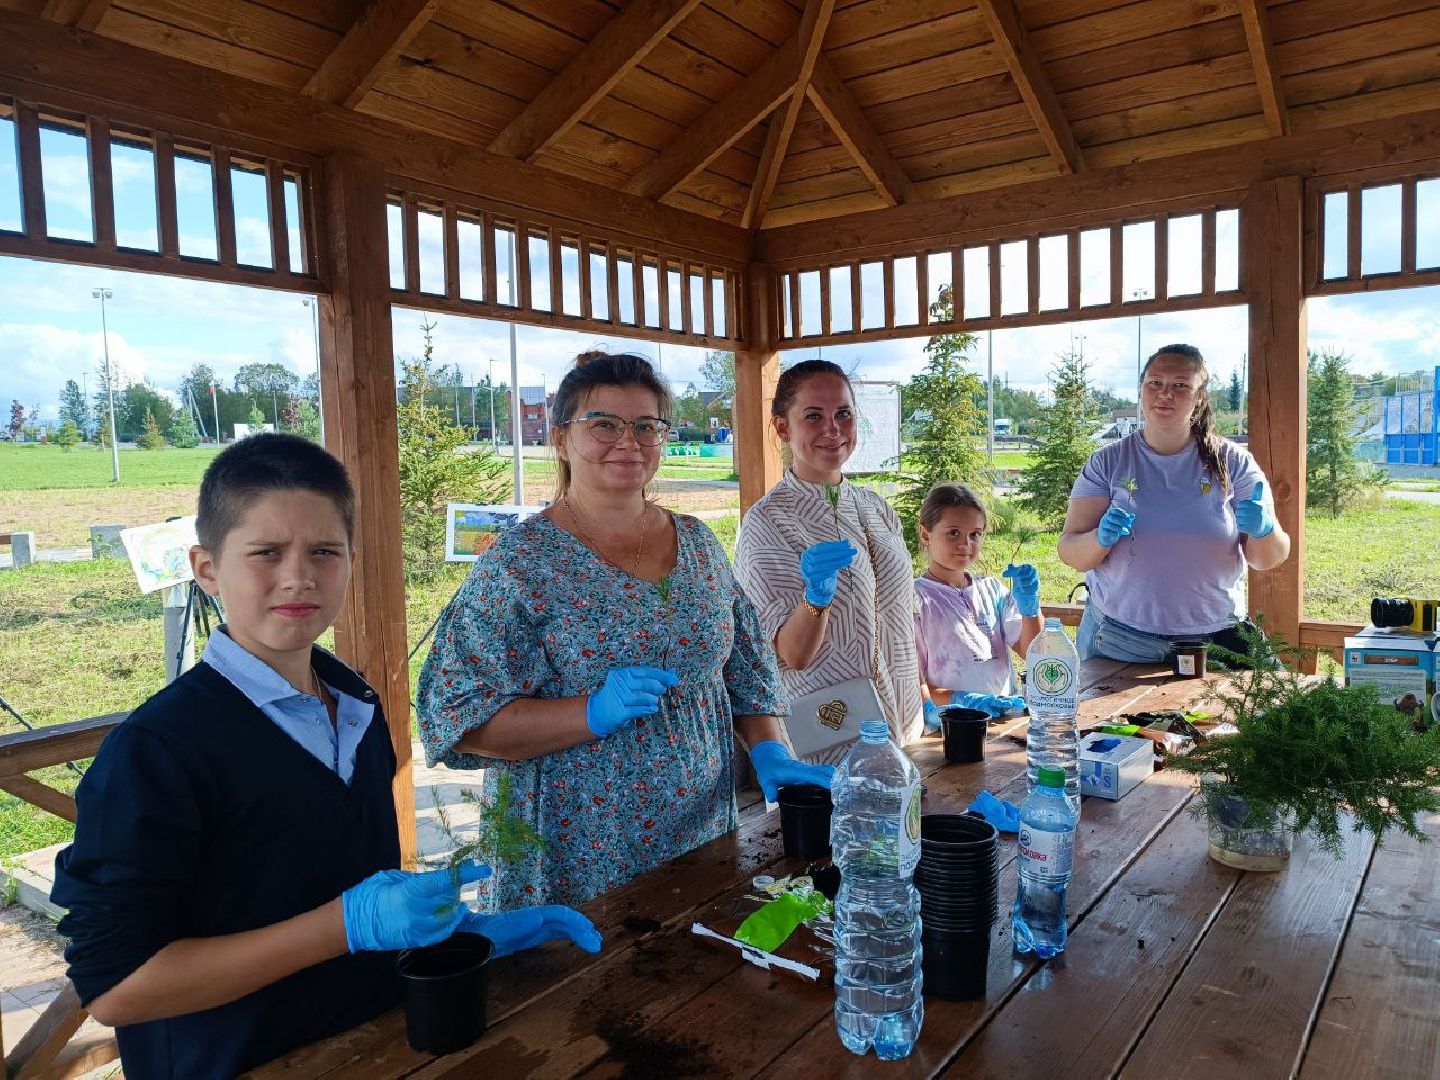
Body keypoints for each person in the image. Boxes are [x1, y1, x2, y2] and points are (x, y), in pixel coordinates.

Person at [51, 435, 599, 1079]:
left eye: (323, 552)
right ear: (205, 567)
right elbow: (118, 987)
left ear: (351, 560)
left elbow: (337, 884)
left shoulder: (357, 706)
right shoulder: (158, 751)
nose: (299, 576)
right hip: (230, 1060)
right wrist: (345, 927)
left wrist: (455, 933)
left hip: (375, 1046)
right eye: (266, 553)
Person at [417, 352, 829, 911]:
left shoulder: (700, 544)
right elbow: (457, 717)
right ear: (561, 439)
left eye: (646, 426)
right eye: (603, 424)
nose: (628, 441)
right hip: (574, 843)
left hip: (700, 827)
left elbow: (745, 668)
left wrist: (769, 749)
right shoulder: (519, 564)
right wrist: (588, 712)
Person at [733, 359, 923, 759]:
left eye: (843, 414)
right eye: (813, 417)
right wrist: (816, 600)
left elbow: (901, 615)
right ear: (783, 427)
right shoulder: (768, 522)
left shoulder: (876, 508)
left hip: (904, 725)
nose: (832, 430)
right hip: (828, 737)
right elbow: (790, 654)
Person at [1059, 344, 1291, 662]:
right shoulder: (1108, 461)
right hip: (1121, 641)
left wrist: (1264, 531)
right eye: (1155, 383)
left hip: (1218, 643)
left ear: (1199, 398)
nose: (1165, 393)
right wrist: (1098, 539)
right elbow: (1071, 552)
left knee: (1271, 710)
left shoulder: (1232, 461)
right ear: (1141, 390)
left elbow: (1269, 558)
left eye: (1180, 385)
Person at [913, 483, 1040, 731]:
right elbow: (913, 686)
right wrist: (960, 700)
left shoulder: (992, 590)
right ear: (925, 535)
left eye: (975, 534)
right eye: (953, 533)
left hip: (1005, 723)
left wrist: (1030, 609)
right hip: (951, 731)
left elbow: (1035, 655)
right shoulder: (915, 599)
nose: (966, 544)